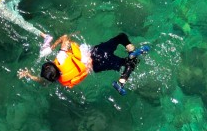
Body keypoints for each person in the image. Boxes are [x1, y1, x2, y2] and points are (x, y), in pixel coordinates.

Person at [18, 32, 150, 95]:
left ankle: (121, 82)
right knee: (121, 37)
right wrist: (51, 47)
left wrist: (29, 75)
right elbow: (65, 37)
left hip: (97, 67)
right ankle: (131, 51)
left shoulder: (60, 80)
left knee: (128, 63)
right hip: (97, 53)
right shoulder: (61, 58)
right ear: (50, 65)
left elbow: (44, 82)